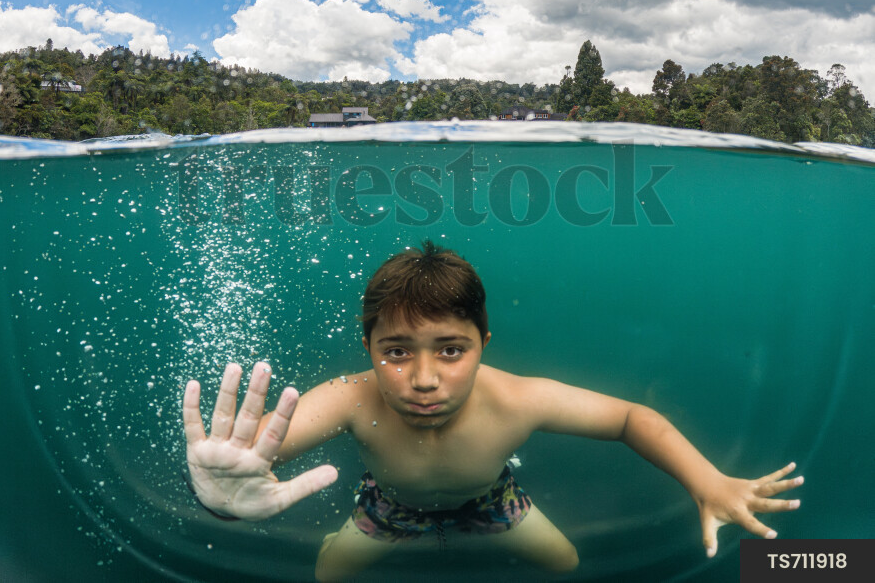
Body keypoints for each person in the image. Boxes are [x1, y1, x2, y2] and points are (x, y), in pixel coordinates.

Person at [183, 241, 803, 581]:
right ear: (368, 349)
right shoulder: (350, 395)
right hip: (388, 508)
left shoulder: (516, 398)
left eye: (451, 350)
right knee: (328, 575)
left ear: (484, 345)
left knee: (566, 564)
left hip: (491, 499)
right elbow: (261, 447)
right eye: (396, 352)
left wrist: (708, 481)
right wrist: (223, 487)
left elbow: (630, 419)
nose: (424, 380)